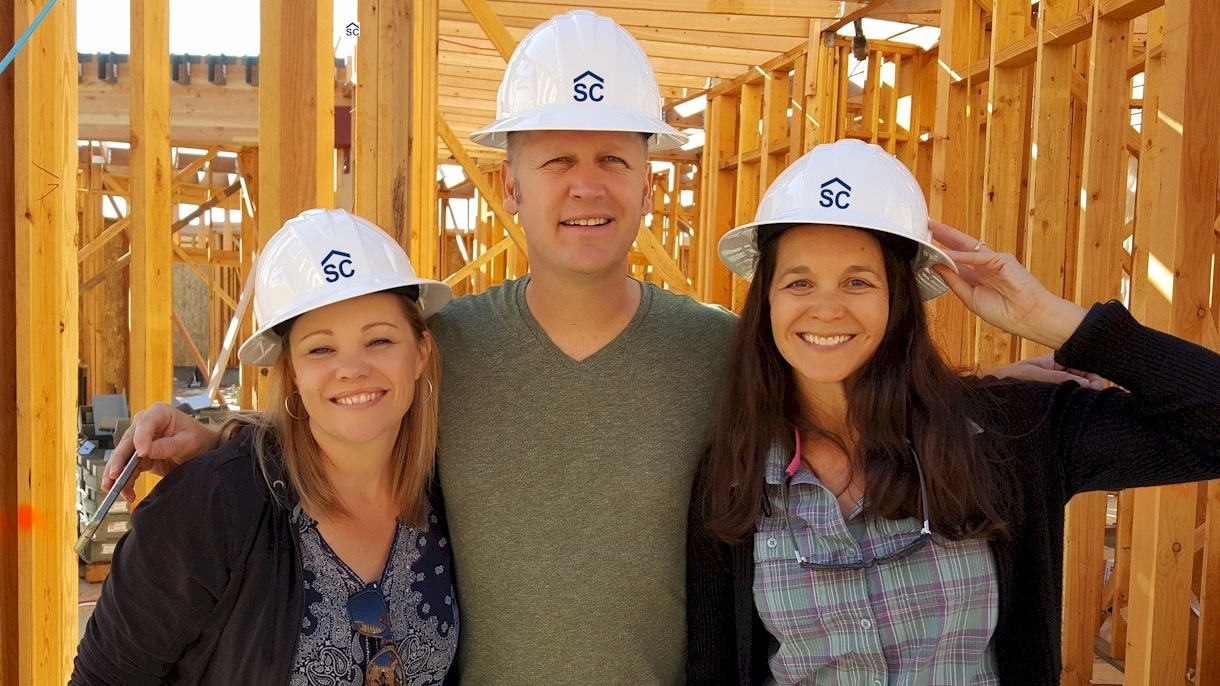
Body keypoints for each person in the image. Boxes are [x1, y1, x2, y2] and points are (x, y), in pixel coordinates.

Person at [99, 12, 1099, 686]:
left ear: (648, 181)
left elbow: (852, 386)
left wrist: (1009, 379)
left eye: (613, 159)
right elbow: (353, 399)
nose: (587, 186)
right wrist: (229, 437)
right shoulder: (448, 347)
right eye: (558, 160)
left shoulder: (719, 355)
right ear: (510, 186)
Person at [684, 139, 1220, 685]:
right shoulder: (734, 471)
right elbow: (714, 666)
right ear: (767, 302)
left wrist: (1052, 319)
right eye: (798, 282)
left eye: (858, 281)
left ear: (900, 300)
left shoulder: (1009, 435)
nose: (826, 307)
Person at [73, 209, 458, 685]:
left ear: (420, 353)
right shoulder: (209, 510)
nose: (352, 369)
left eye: (379, 339)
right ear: (292, 371)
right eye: (320, 348)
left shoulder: (449, 495)